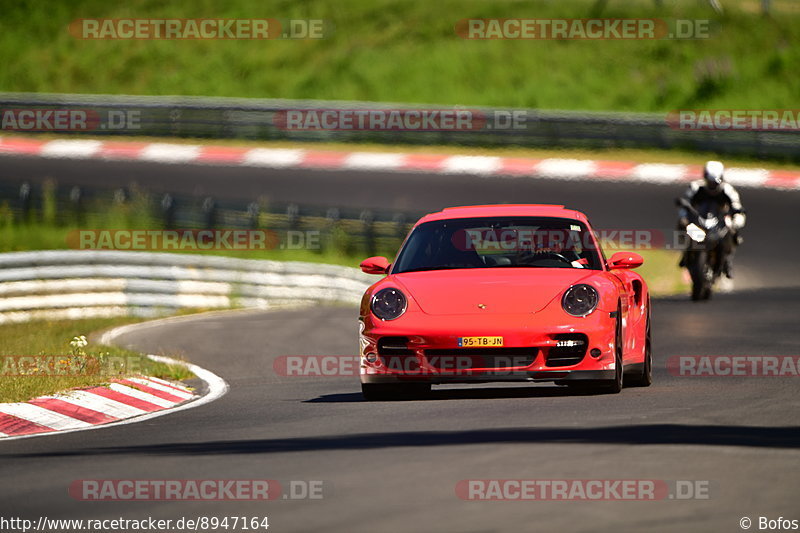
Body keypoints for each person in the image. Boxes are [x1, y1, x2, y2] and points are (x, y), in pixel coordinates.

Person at [676, 161, 745, 278]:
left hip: (720, 220)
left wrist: (737, 216)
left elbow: (737, 205)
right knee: (683, 224)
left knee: (734, 227)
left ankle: (728, 261)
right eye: (710, 182)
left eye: (715, 183)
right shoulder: (695, 187)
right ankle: (685, 252)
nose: (712, 186)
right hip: (700, 219)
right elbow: (685, 204)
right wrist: (684, 217)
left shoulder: (728, 190)